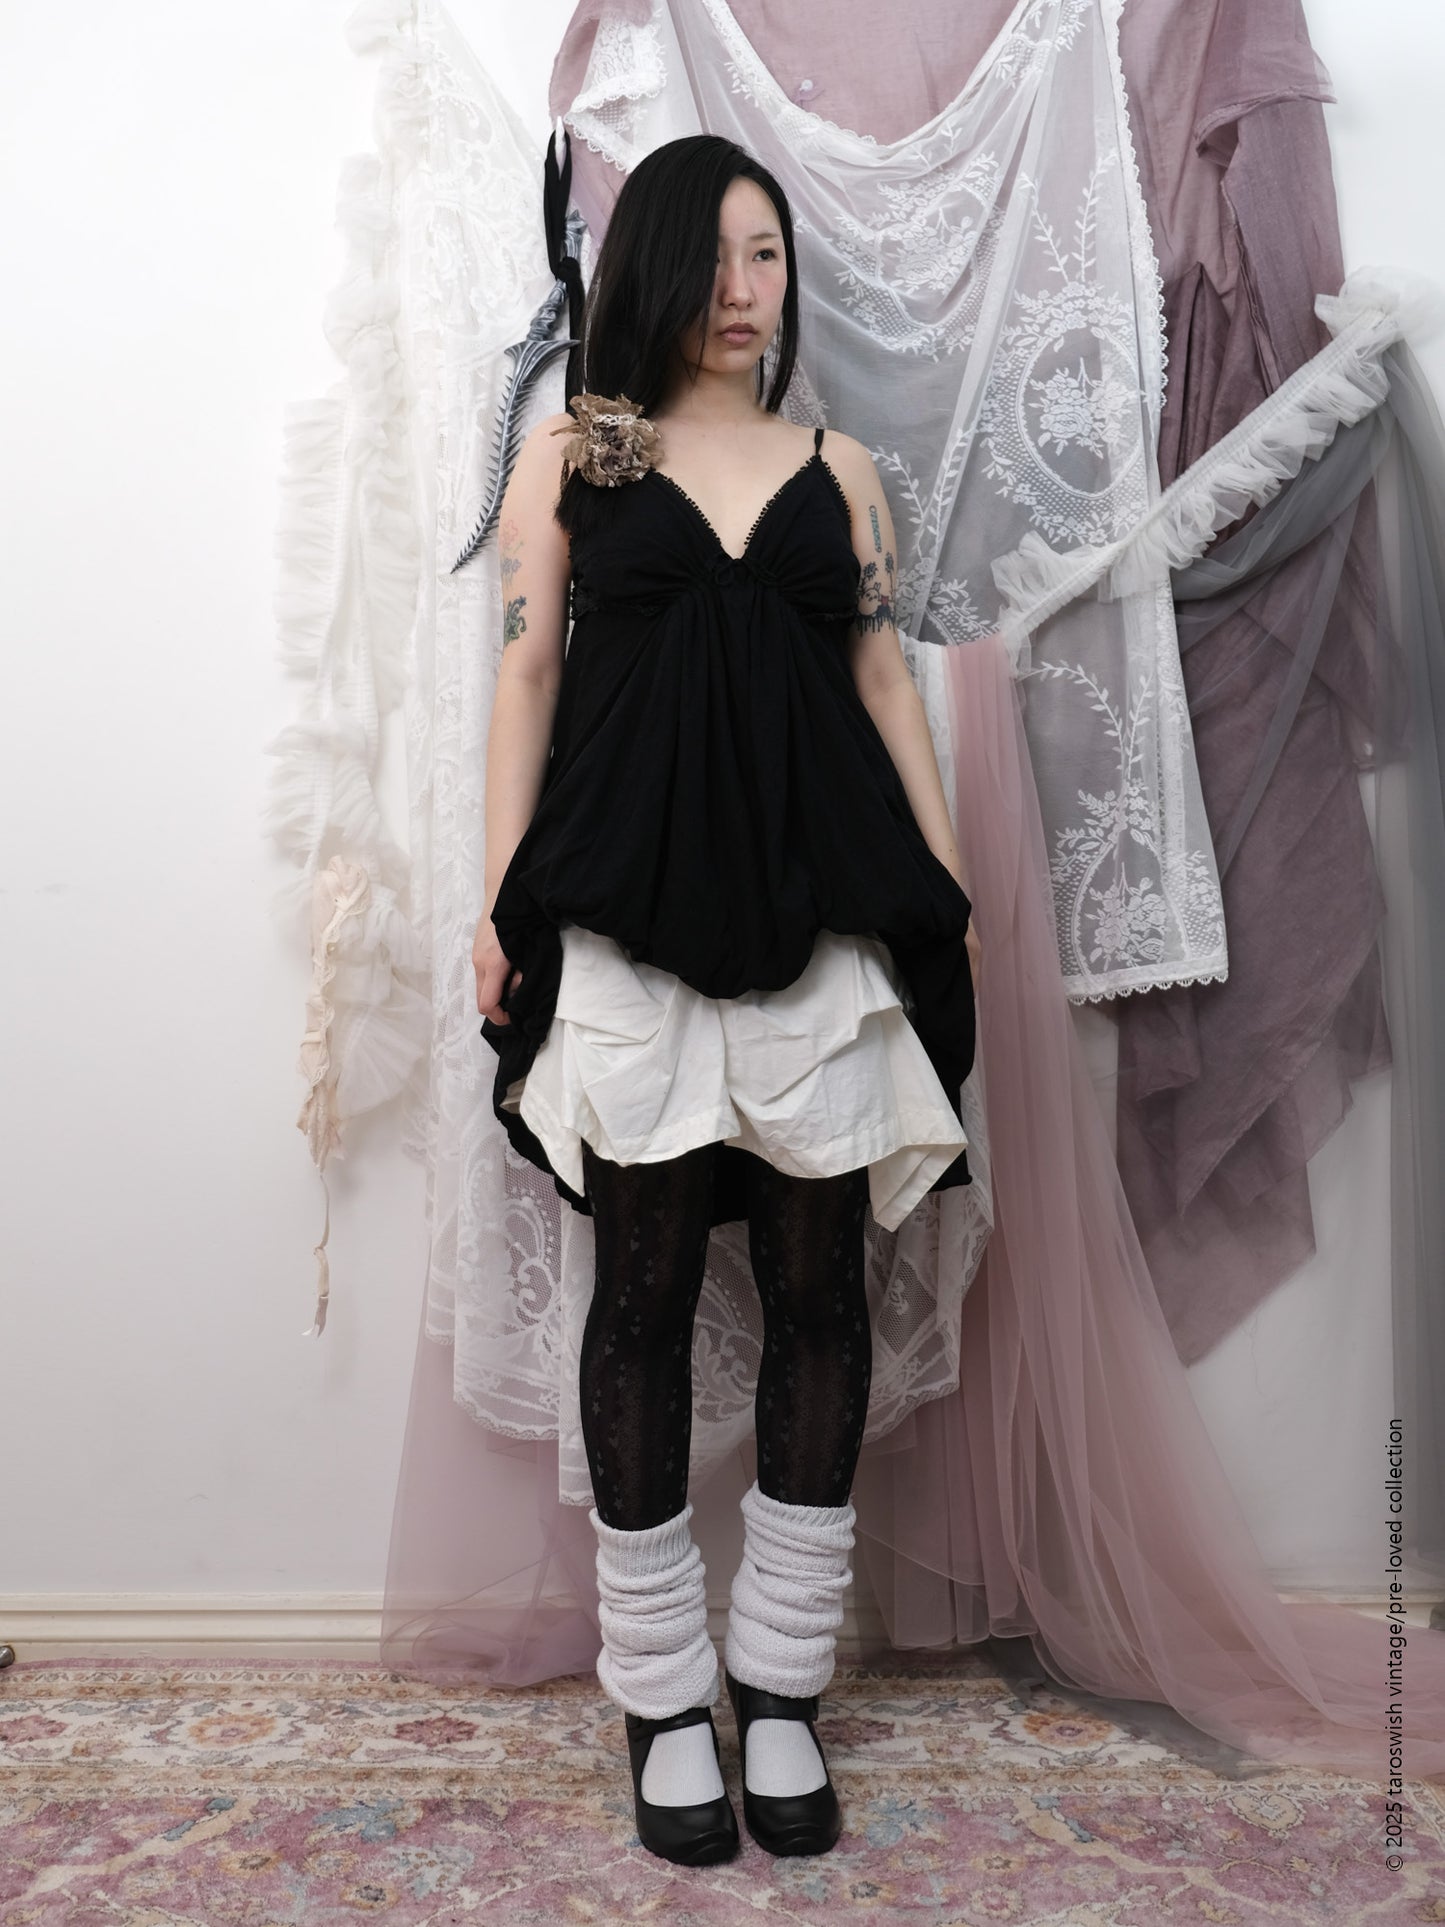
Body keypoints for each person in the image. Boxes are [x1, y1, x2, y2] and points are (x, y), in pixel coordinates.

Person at [471, 134, 979, 1866]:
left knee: (822, 1289)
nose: (745, 290)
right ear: (657, 270)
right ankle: (661, 1696)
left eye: (768, 256)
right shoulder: (576, 455)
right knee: (645, 1292)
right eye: (716, 256)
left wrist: (945, 895)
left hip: (823, 917)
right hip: (626, 917)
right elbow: (527, 676)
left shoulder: (844, 473)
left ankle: (778, 1686)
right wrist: (498, 902)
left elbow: (881, 682)